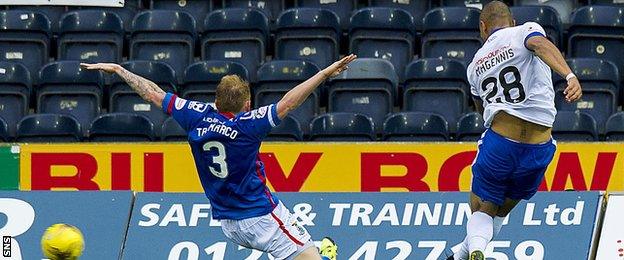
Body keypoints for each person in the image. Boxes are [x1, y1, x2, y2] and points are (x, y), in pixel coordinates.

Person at [81, 54, 356, 260]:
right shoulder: (248, 125)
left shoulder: (194, 114)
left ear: (216, 99)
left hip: (227, 224)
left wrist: (119, 70)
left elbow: (153, 93)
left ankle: (314, 248)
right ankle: (321, 253)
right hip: (261, 217)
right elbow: (289, 102)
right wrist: (324, 73)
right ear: (247, 105)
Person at [446, 1, 582, 260]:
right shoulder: (524, 31)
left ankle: (470, 251)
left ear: (482, 27)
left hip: (501, 141)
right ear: (513, 20)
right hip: (539, 148)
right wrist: (570, 76)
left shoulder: (474, 65)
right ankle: (464, 253)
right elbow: (540, 45)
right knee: (500, 212)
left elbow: (481, 108)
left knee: (481, 209)